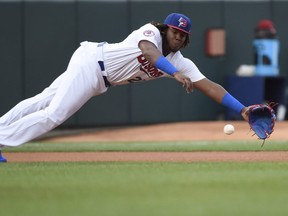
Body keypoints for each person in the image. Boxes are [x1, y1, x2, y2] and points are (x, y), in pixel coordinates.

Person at [0, 13, 248, 162]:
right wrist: (175, 74)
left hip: (97, 74)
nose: (179, 37)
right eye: (175, 31)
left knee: (42, 100)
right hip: (92, 64)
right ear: (166, 29)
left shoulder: (180, 62)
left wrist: (242, 109)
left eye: (183, 35)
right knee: (54, 114)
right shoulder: (150, 32)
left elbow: (209, 87)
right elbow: (149, 53)